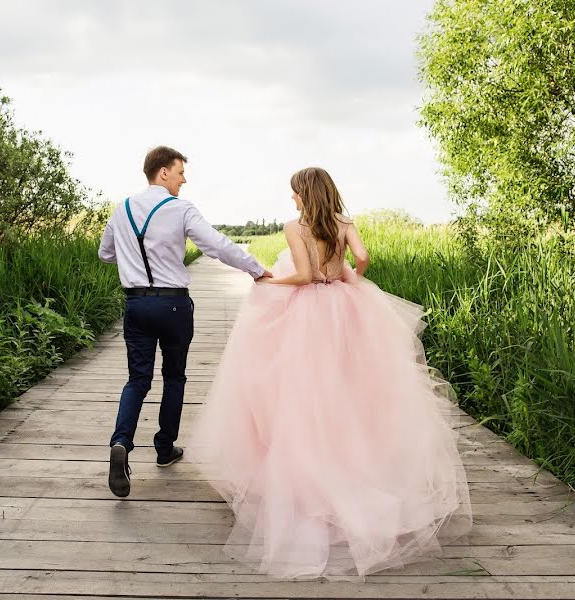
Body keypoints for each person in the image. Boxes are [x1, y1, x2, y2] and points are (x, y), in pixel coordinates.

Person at [188, 167, 472, 579]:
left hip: (309, 312)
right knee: (349, 387)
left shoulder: (295, 227)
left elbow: (304, 276)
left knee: (306, 392)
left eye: (295, 193)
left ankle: (309, 478)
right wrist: (349, 279)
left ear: (305, 193)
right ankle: (355, 462)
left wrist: (270, 281)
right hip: (344, 305)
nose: (292, 200)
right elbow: (363, 258)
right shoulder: (343, 222)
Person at [98, 145, 272, 498]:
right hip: (174, 305)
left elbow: (105, 254)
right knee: (174, 376)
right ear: (163, 172)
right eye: (180, 172)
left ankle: (121, 443)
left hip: (136, 305)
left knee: (137, 378)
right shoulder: (179, 209)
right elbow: (217, 245)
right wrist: (257, 270)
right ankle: (164, 448)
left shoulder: (122, 210)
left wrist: (134, 258)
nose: (184, 179)